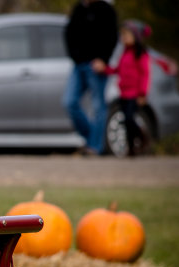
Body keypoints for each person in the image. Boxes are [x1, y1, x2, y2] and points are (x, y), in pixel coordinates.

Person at [63, 0, 118, 155]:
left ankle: (95, 147)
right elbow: (69, 33)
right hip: (78, 64)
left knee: (98, 106)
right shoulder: (79, 8)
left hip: (96, 65)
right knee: (69, 102)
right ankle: (91, 138)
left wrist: (103, 59)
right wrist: (74, 56)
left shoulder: (105, 9)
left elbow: (112, 36)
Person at [93, 20, 152, 156]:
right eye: (123, 35)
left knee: (130, 119)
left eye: (126, 35)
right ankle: (131, 148)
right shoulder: (125, 54)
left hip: (134, 93)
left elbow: (145, 74)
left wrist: (142, 93)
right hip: (124, 93)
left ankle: (141, 135)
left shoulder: (141, 54)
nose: (123, 38)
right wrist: (105, 69)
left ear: (135, 37)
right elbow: (118, 70)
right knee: (125, 120)